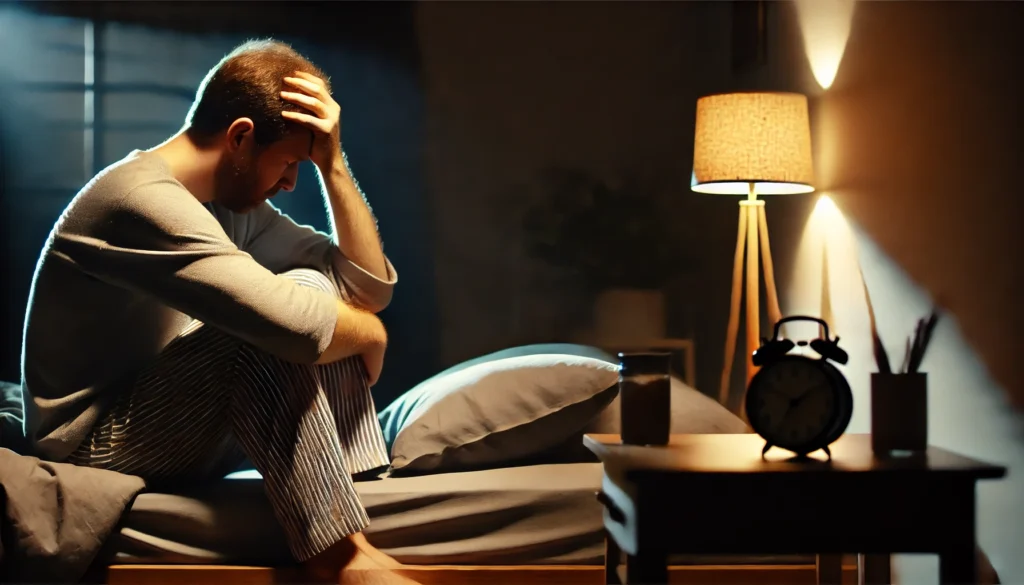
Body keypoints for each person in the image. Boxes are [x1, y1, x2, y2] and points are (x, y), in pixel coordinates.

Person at [20, 39, 416, 583]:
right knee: (267, 324)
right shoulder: (138, 200)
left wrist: (335, 166)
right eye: (290, 163)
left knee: (307, 288)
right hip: (93, 444)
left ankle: (356, 503)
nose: (290, 182)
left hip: (173, 419)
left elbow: (362, 288)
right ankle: (337, 558)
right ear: (240, 137)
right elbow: (299, 326)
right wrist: (372, 336)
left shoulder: (226, 208)